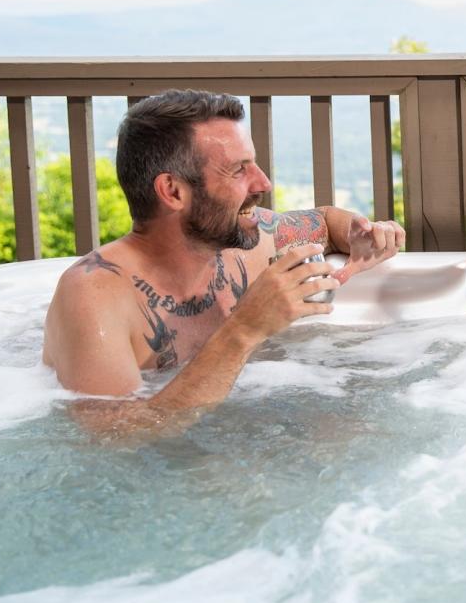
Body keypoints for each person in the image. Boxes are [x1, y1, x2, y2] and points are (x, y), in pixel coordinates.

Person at [42, 89, 404, 427]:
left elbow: (324, 221)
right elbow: (114, 439)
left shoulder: (246, 243)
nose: (263, 183)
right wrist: (245, 330)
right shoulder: (95, 296)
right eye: (238, 170)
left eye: (255, 164)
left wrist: (360, 236)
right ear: (172, 191)